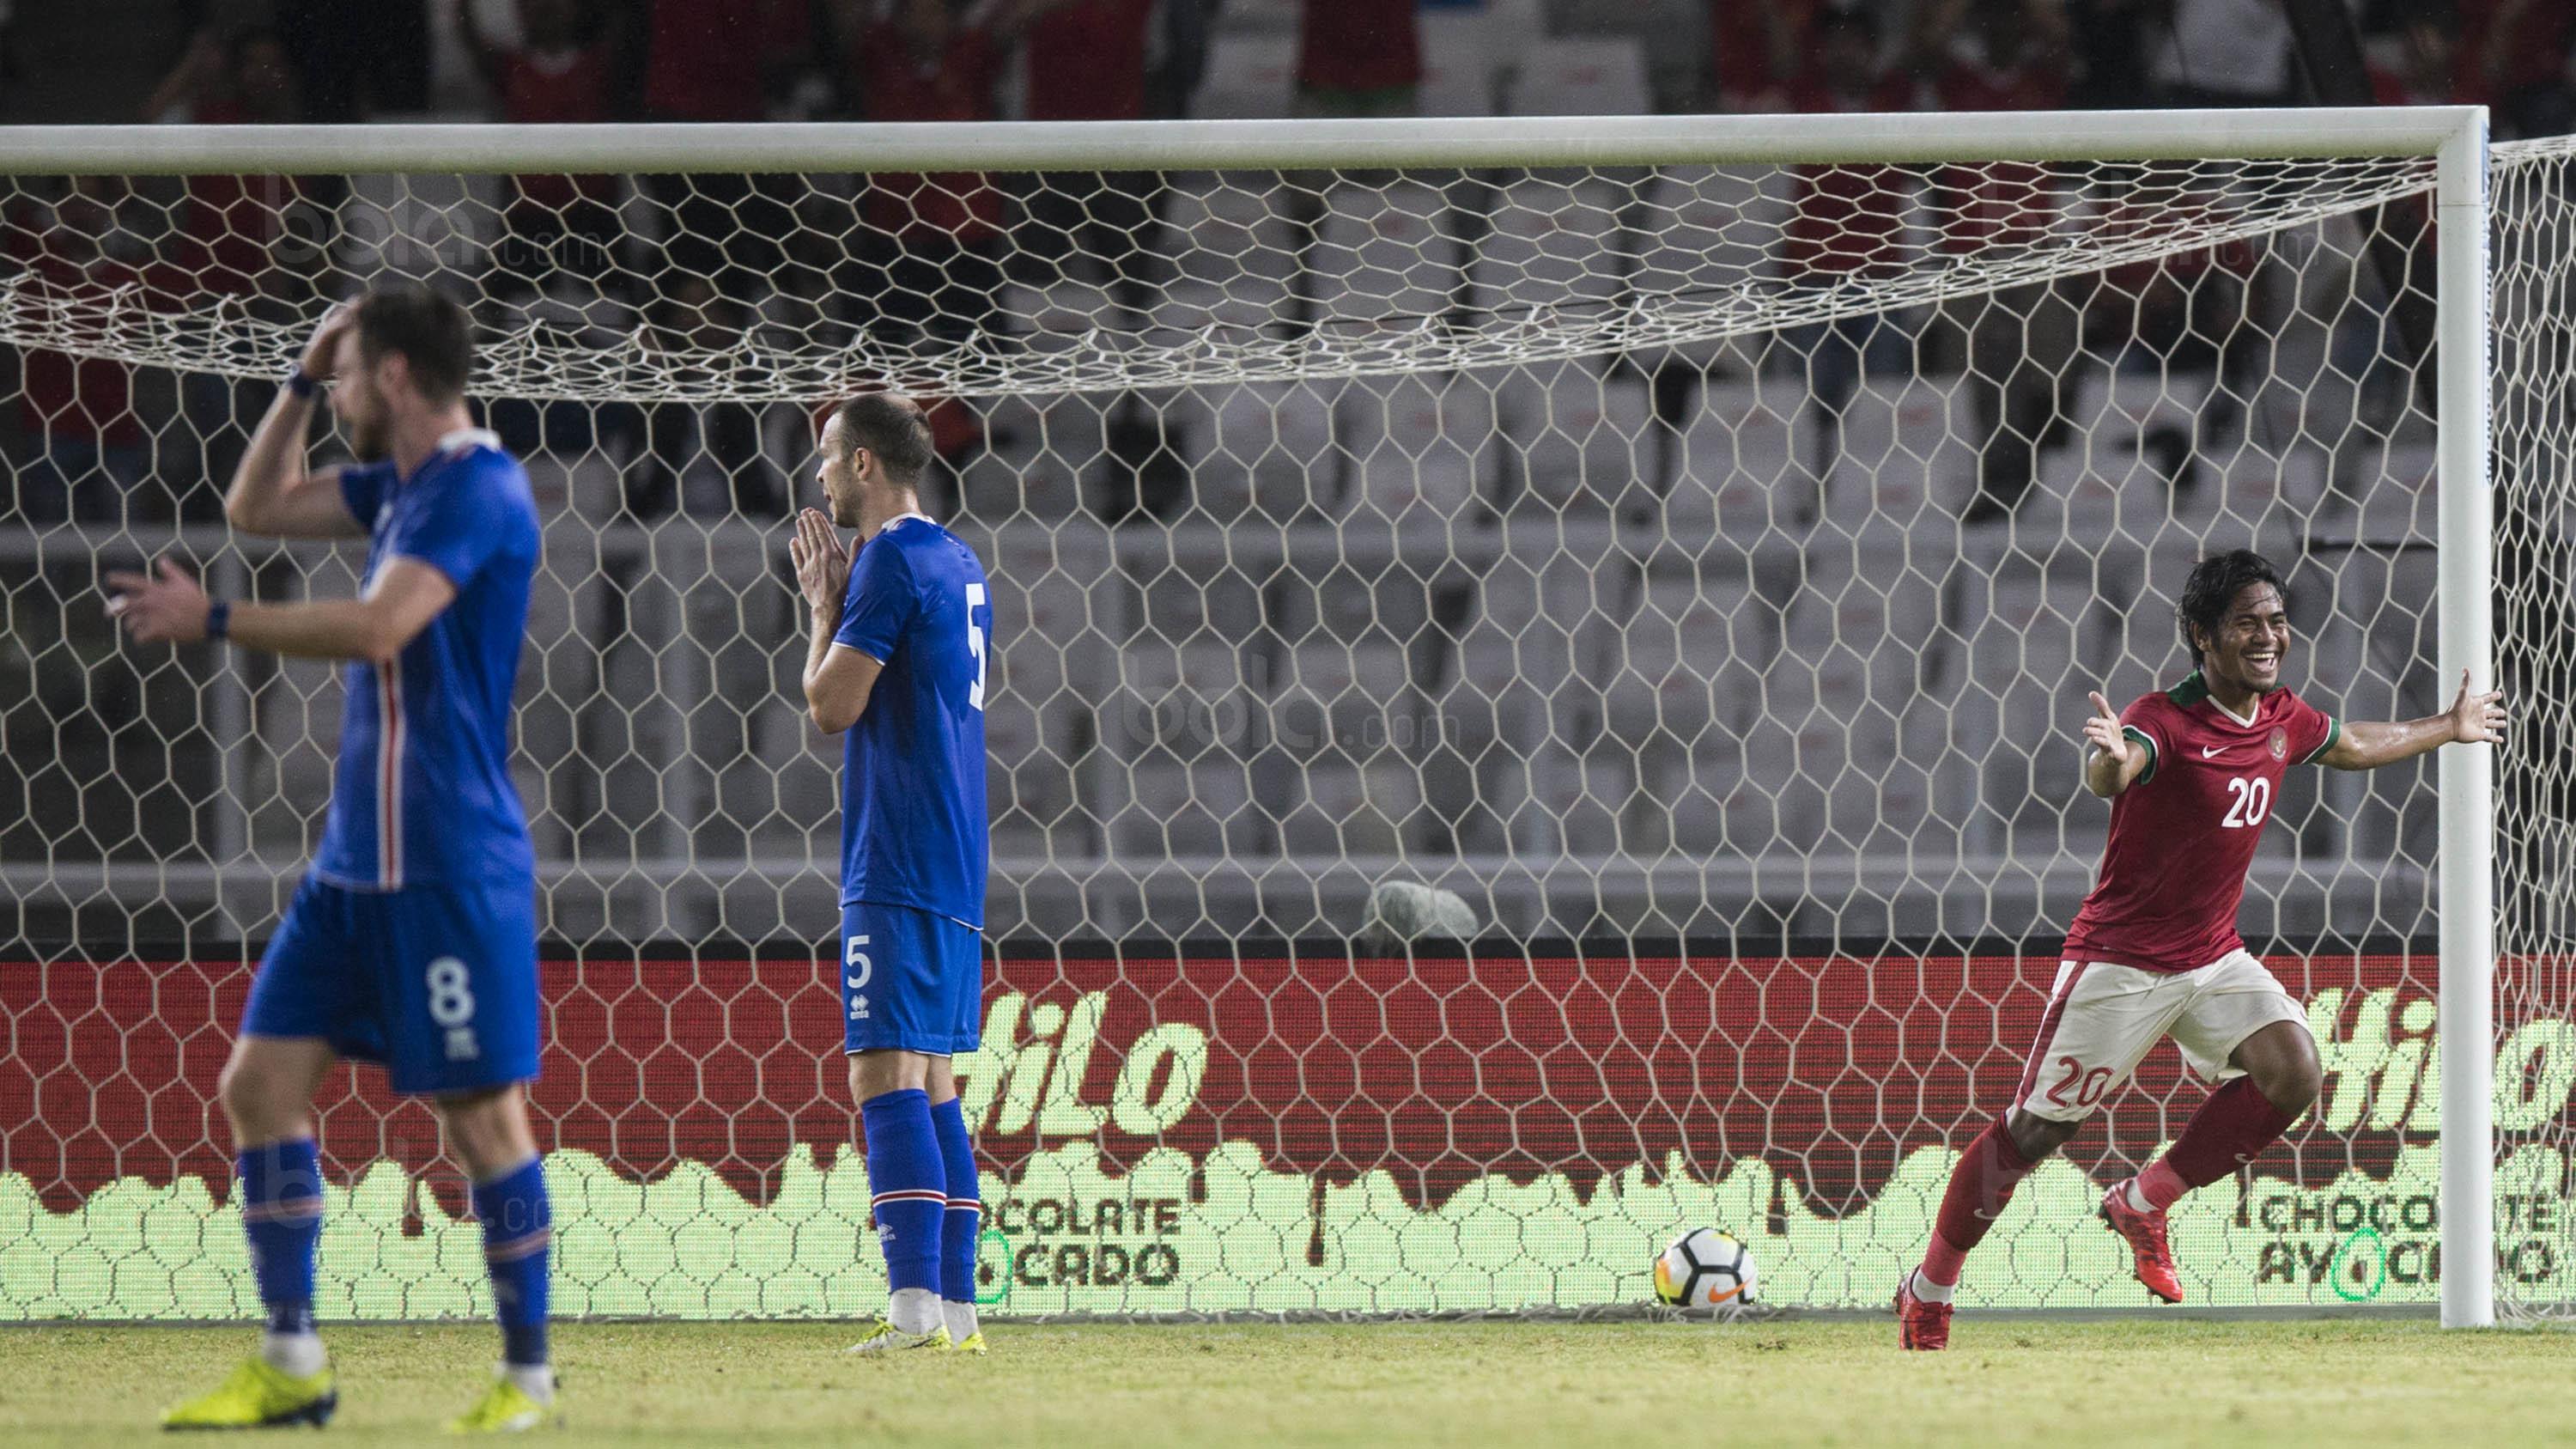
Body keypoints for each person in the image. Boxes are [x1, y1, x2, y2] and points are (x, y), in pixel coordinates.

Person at [112, 287, 556, 1430]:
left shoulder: (477, 484)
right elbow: (253, 503)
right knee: (259, 1086)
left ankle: (526, 1375)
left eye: (354, 373)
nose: (343, 391)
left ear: (398, 375)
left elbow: (376, 627)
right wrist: (307, 375)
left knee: (480, 1119)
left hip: (448, 864)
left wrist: (213, 619)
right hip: (354, 865)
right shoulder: (399, 486)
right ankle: (294, 1355)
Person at [1894, 550, 2509, 1350]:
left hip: (2213, 958)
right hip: (2120, 960)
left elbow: (2352, 742)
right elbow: (2119, 767)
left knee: (2293, 1069)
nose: (2267, 637)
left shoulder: (2282, 716)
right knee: (2036, 1133)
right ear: (2202, 635)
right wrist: (2110, 762)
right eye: (2246, 622)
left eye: (2276, 621)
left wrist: (2451, 727)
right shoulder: (2165, 717)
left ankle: (2143, 1201)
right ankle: (1928, 1288)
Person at [788, 394, 995, 1355]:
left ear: (867, 463)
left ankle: (911, 1309)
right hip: (956, 849)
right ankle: (955, 1311)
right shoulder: (956, 557)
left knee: (881, 1071)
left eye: (830, 456)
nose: (821, 474)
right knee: (935, 1079)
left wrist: (823, 610)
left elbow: (831, 706)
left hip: (900, 849)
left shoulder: (886, 562)